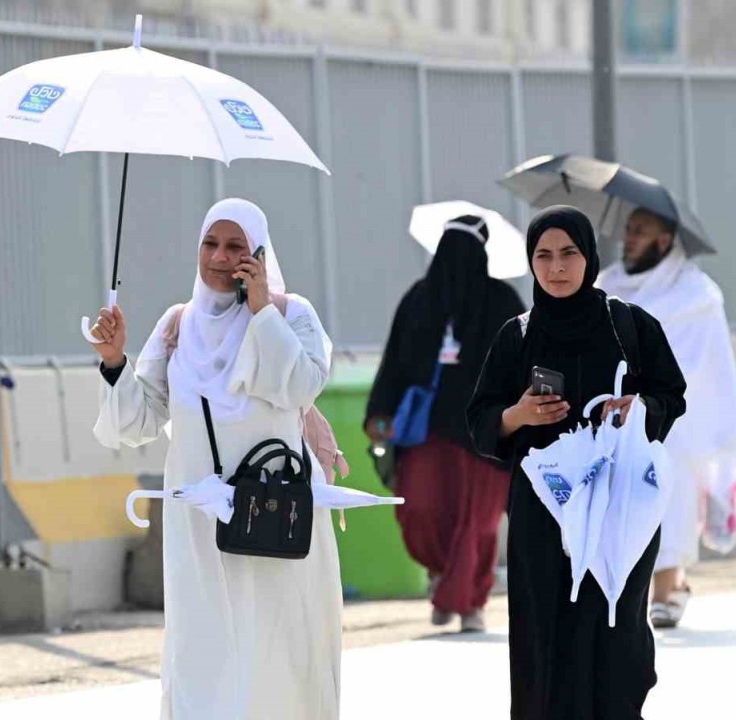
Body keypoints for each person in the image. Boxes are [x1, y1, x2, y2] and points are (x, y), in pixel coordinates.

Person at [90, 198, 342, 719]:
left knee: (281, 651)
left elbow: (298, 386)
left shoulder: (292, 315)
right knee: (204, 652)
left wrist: (261, 311)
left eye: (236, 247)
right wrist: (115, 361)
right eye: (211, 244)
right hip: (201, 525)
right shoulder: (178, 324)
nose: (221, 258)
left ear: (260, 254)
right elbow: (137, 422)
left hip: (278, 514)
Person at [466, 206, 686, 720]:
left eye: (569, 253)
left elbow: (672, 395)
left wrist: (640, 408)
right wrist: (517, 415)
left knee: (617, 631)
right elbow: (480, 420)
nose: (556, 267)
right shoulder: (517, 335)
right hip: (545, 512)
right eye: (543, 255)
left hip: (620, 506)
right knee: (546, 633)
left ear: (589, 257)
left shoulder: (629, 326)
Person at [364, 216, 524, 633]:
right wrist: (379, 413)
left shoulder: (503, 302)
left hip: (485, 431)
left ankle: (470, 603)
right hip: (427, 430)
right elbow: (394, 360)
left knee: (479, 521)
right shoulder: (419, 299)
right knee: (419, 508)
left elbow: (521, 363)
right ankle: (443, 575)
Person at [597, 207, 736, 629]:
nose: (629, 239)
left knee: (672, 495)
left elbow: (706, 366)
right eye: (628, 231)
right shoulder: (607, 285)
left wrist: (654, 392)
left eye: (640, 232)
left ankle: (667, 586)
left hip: (674, 420)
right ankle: (636, 590)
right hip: (616, 417)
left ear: (665, 241)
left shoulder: (696, 294)